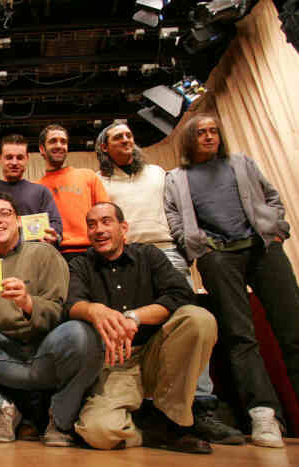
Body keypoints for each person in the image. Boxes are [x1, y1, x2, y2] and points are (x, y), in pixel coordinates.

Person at [95, 121, 243, 445]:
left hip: (167, 252)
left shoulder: (158, 173)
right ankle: (146, 408)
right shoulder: (98, 181)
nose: (127, 139)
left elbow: (180, 210)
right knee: (135, 329)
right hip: (126, 256)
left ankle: (200, 406)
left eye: (129, 134)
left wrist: (187, 245)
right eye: (118, 137)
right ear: (104, 147)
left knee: (191, 321)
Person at [165, 114, 299, 448]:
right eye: (201, 133)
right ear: (189, 140)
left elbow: (271, 197)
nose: (209, 137)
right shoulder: (177, 178)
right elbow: (174, 217)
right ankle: (264, 414)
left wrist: (277, 231)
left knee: (293, 328)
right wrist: (199, 249)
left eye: (213, 131)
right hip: (218, 257)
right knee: (240, 336)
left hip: (263, 248)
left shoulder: (242, 163)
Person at [0, 192, 102, 446]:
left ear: (18, 220)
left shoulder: (45, 254)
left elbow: (62, 312)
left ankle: (60, 420)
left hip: (45, 352)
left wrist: (28, 303)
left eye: (4, 213)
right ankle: (0, 411)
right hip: (2, 356)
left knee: (81, 334)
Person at [69, 202, 217, 454]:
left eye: (106, 221)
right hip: (116, 363)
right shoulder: (81, 264)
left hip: (158, 354)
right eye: (91, 225)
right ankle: (151, 432)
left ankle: (172, 421)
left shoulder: (149, 255)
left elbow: (181, 294)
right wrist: (94, 310)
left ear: (123, 228)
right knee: (99, 432)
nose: (99, 230)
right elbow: (71, 304)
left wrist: (135, 317)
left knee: (199, 319)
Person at [0, 134, 63, 261]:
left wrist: (53, 235)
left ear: (27, 158)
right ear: (0, 158)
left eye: (20, 158)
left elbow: (55, 223)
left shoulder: (41, 192)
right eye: (9, 157)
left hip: (33, 260)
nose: (14, 162)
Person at [38, 124, 110, 261]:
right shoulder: (37, 188)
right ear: (42, 149)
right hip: (56, 254)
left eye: (63, 141)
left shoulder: (88, 176)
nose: (59, 145)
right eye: (53, 141)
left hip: (93, 252)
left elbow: (108, 216)